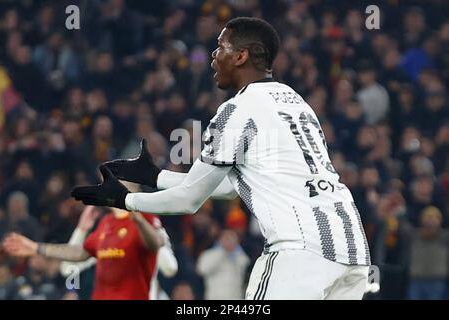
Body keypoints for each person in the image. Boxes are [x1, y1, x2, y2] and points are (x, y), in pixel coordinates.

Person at [71, 17, 371, 300]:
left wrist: (124, 201)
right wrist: (155, 177)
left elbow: (189, 200)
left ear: (241, 56)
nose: (213, 56)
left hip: (301, 252)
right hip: (352, 251)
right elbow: (229, 187)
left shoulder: (237, 110)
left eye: (220, 47)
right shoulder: (297, 102)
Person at [2, 186, 164, 300]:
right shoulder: (105, 223)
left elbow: (155, 244)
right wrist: (36, 248)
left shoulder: (145, 218)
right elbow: (79, 253)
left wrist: (138, 219)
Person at [58, 205, 178, 300]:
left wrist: (153, 234)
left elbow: (170, 268)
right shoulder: (107, 241)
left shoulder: (147, 234)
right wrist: (81, 230)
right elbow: (67, 268)